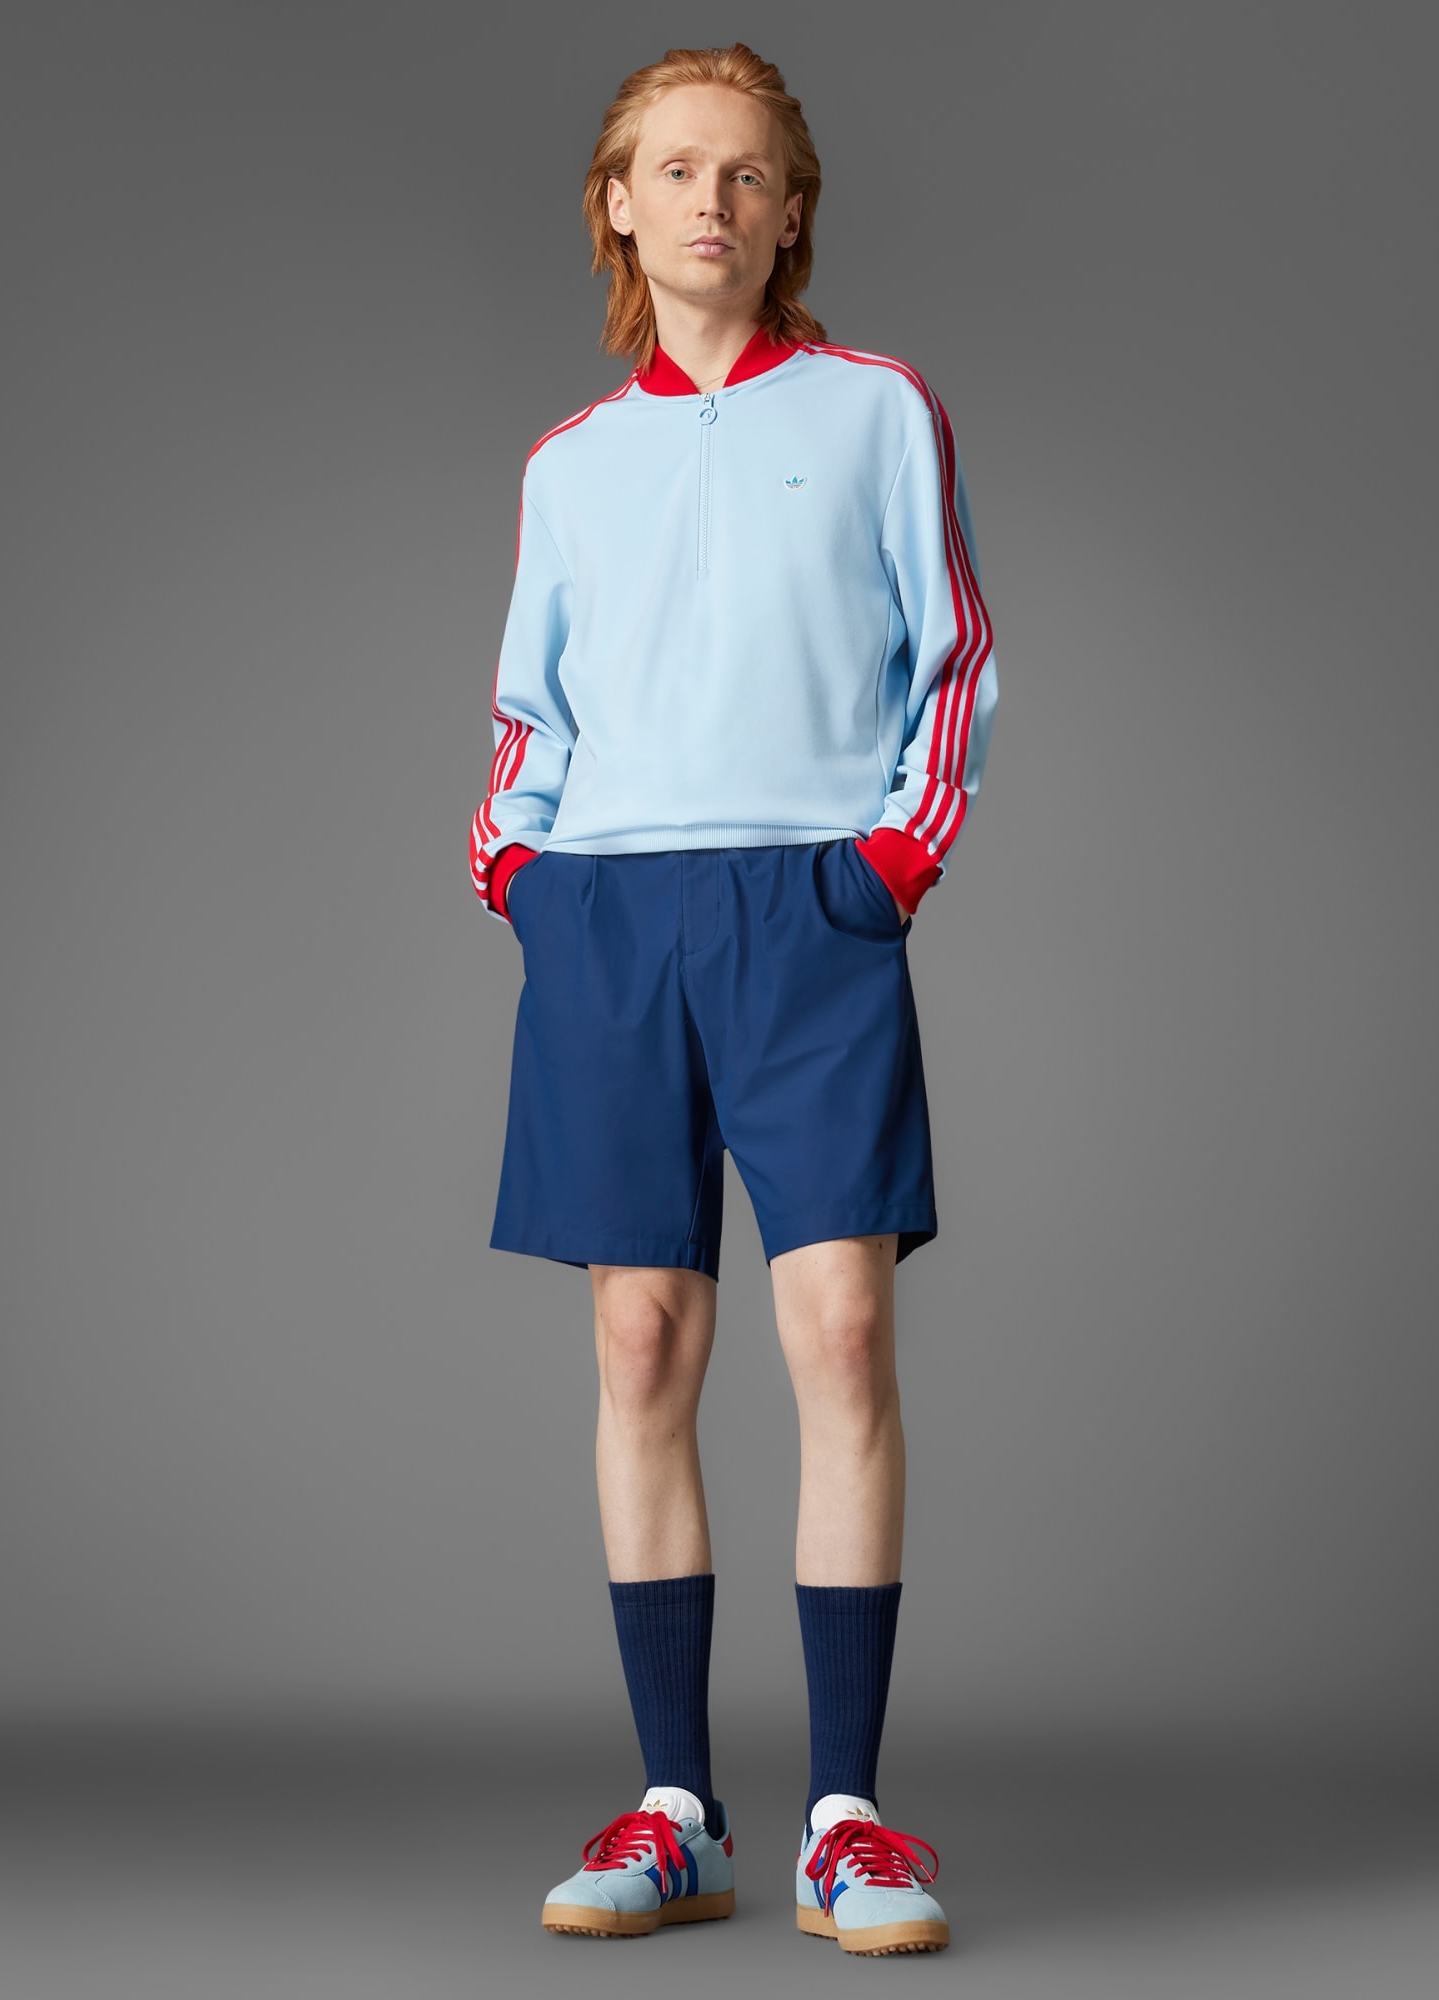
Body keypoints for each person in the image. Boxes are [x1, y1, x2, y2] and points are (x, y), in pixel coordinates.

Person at [467, 42, 997, 1959]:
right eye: (677, 169)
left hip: (808, 909)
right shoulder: (568, 464)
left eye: (749, 173)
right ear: (619, 207)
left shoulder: (876, 411)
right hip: (610, 917)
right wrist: (524, 877)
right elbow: (528, 711)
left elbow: (953, 659)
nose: (714, 199)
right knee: (641, 1347)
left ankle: (848, 1819)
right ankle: (677, 1809)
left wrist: (887, 867)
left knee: (840, 1330)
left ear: (790, 216)